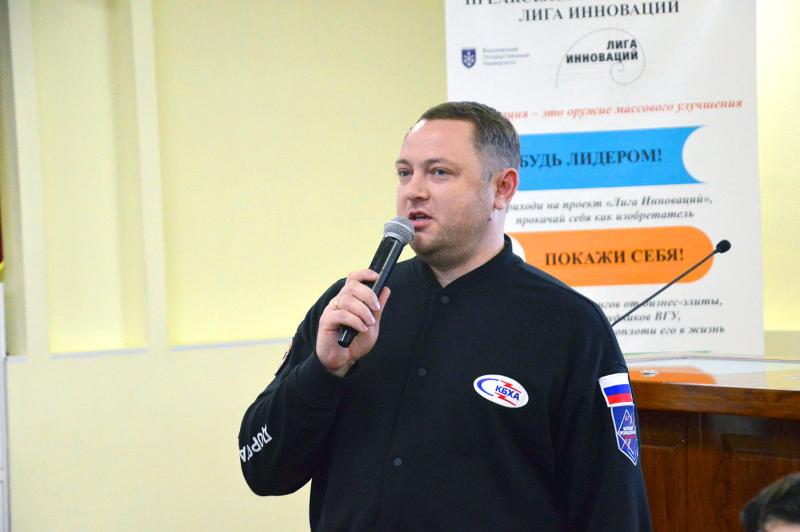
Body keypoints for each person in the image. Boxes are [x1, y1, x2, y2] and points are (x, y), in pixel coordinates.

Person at [239, 101, 652, 530]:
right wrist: (323, 370)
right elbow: (261, 468)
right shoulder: (351, 308)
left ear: (503, 188)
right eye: (404, 172)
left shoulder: (569, 326)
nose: (413, 191)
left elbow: (613, 507)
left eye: (439, 172)